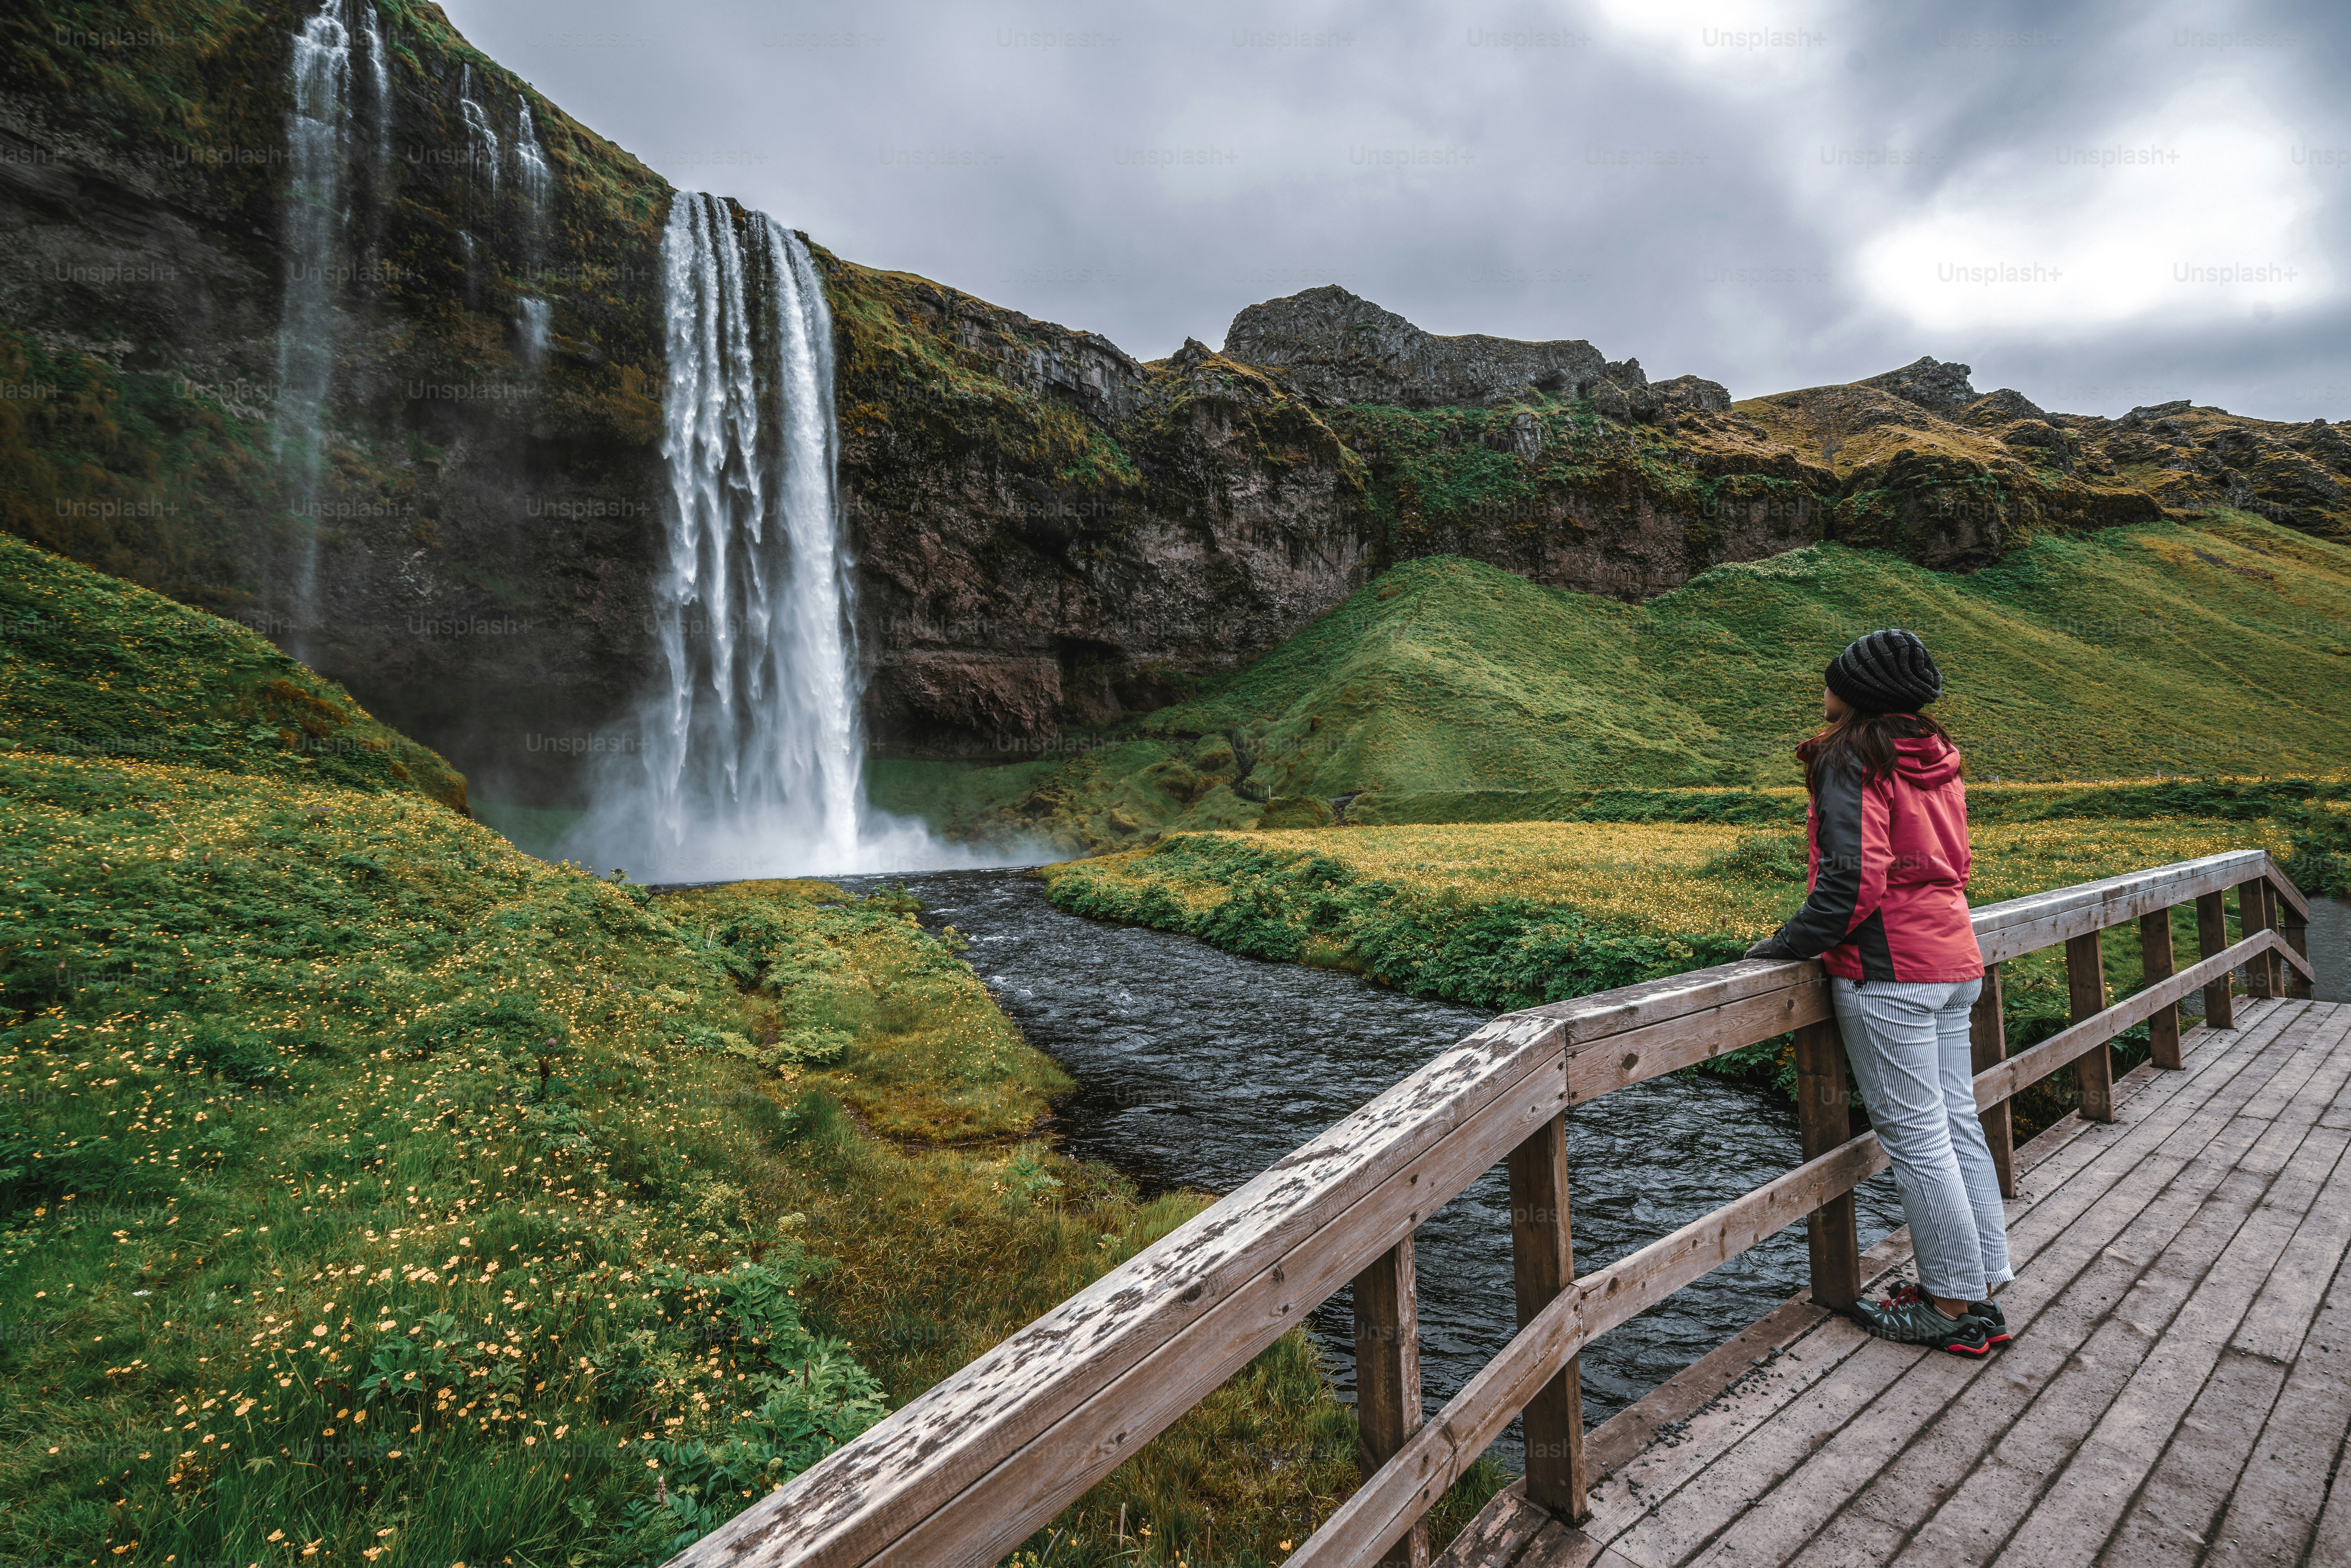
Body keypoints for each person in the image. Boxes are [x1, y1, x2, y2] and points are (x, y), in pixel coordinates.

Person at [1743, 629, 2012, 1357]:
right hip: (1955, 958)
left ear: (1855, 693)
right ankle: (1981, 1285)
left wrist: (1787, 944)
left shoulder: (1849, 757)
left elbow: (1852, 879)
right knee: (1956, 1122)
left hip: (1890, 967)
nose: (1821, 691)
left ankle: (1953, 1309)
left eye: (1830, 679)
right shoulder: (1936, 754)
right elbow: (1942, 863)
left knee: (1918, 1138)